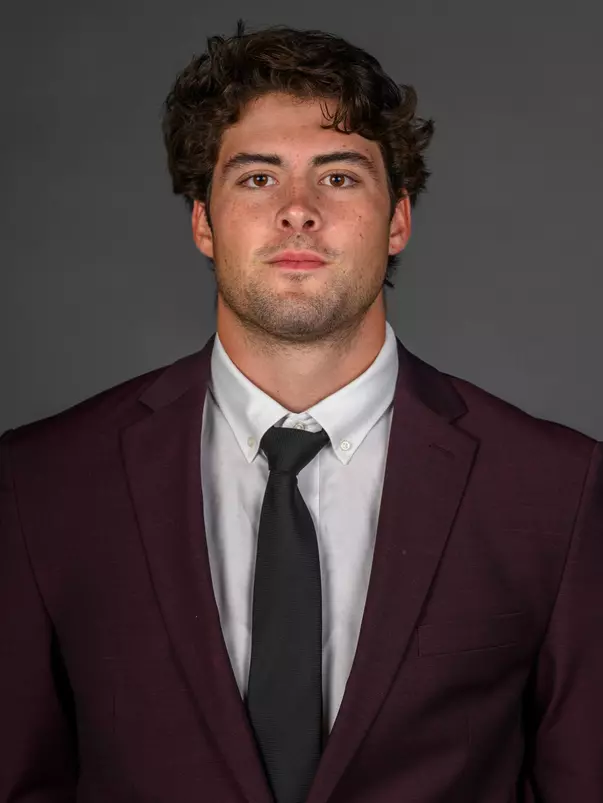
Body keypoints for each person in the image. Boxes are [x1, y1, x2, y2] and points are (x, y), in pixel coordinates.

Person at [1, 18, 602, 803]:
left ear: (397, 221)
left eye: (339, 176)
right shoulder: (39, 482)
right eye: (256, 177)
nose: (297, 210)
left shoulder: (556, 488)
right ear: (202, 223)